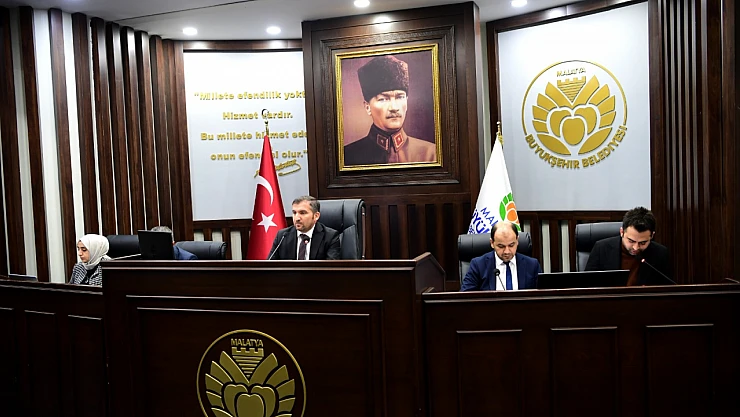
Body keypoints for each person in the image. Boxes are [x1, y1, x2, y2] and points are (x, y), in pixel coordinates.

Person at [343, 55, 436, 166]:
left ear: (406, 102)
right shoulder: (347, 157)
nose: (394, 107)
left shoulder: (431, 154)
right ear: (367, 107)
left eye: (400, 97)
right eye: (383, 99)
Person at [585, 206, 671, 285]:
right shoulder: (601, 249)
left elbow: (667, 289)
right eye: (631, 241)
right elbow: (587, 285)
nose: (635, 247)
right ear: (622, 232)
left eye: (642, 243)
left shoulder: (660, 254)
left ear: (652, 236)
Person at [460, 221, 541, 291]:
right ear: (492, 243)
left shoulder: (532, 265)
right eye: (501, 246)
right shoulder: (478, 265)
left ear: (517, 240)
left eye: (511, 245)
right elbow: (465, 297)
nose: (507, 251)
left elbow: (542, 296)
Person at [268, 196, 341, 260]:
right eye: (294, 213)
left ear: (316, 216)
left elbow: (331, 268)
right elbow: (270, 266)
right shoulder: (283, 236)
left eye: (302, 213)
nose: (297, 218)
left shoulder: (329, 237)